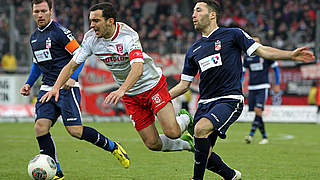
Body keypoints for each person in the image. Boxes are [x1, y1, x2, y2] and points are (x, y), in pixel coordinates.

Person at [168, 0, 315, 180]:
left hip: (228, 99)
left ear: (212, 15)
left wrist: (290, 54)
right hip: (204, 104)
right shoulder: (193, 50)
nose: (193, 15)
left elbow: (262, 51)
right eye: (193, 11)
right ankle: (231, 176)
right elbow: (184, 85)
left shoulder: (233, 34)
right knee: (204, 154)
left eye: (198, 10)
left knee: (200, 129)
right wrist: (160, 98)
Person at [40, 2, 194, 157]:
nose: (92, 25)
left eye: (96, 21)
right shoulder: (91, 39)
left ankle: (185, 118)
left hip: (152, 85)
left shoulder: (128, 36)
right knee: (152, 144)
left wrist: (121, 90)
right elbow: (72, 65)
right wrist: (55, 87)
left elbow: (137, 69)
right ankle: (188, 144)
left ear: (110, 21)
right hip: (131, 95)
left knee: (172, 132)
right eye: (91, 20)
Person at [20, 1, 130, 179]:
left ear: (50, 11)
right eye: (36, 11)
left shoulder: (60, 33)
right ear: (32, 13)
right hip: (47, 88)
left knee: (75, 131)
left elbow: (79, 56)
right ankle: (56, 173)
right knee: (40, 127)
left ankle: (113, 147)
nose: (40, 15)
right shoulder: (34, 37)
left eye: (43, 11)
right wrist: (29, 83)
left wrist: (72, 78)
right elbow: (37, 64)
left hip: (65, 87)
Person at [243, 36, 281, 145]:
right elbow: (243, 72)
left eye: (257, 42)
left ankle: (251, 135)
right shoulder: (248, 56)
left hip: (262, 86)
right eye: (253, 42)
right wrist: (240, 83)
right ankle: (264, 137)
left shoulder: (266, 54)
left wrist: (277, 84)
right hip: (251, 87)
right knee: (256, 112)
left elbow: (276, 69)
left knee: (258, 110)